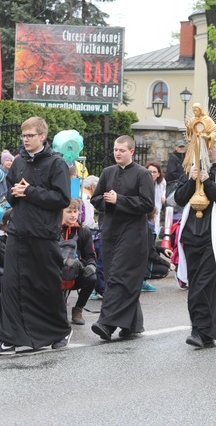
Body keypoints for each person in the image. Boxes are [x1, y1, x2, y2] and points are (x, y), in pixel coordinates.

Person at [0, 117, 71, 355]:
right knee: (12, 285)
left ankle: (60, 329)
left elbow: (62, 199)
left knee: (44, 286)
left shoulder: (56, 164)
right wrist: (16, 192)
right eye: (23, 135)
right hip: (18, 231)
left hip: (43, 234)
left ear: (42, 136)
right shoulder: (19, 162)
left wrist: (29, 191)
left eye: (30, 135)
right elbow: (10, 195)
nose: (26, 139)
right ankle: (7, 338)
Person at [174, 129, 216, 349]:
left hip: (213, 236)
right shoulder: (192, 167)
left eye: (212, 146)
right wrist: (192, 181)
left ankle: (199, 331)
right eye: (205, 146)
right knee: (197, 285)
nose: (208, 150)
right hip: (192, 234)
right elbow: (179, 198)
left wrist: (208, 182)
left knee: (203, 284)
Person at [90, 135, 154, 342]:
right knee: (113, 277)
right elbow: (96, 199)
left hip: (133, 234)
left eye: (122, 150)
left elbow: (147, 204)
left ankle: (106, 323)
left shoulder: (142, 174)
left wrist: (120, 200)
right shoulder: (108, 172)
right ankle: (133, 324)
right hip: (110, 232)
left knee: (119, 277)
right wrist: (107, 201)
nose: (117, 153)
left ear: (132, 152)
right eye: (116, 150)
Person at [59, 199, 97, 325]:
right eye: (69, 211)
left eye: (75, 211)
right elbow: (44, 255)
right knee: (59, 317)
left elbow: (90, 255)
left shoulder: (84, 231)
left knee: (91, 278)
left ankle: (78, 309)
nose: (73, 215)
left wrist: (91, 265)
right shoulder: (54, 229)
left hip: (74, 272)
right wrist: (63, 261)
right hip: (55, 272)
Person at [146, 162, 166, 237]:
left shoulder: (161, 183)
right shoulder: (142, 182)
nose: (152, 174)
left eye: (154, 172)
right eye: (150, 172)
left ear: (158, 174)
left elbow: (164, 191)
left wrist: (163, 196)